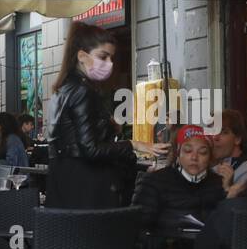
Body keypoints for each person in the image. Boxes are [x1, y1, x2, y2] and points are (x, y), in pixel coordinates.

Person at [48, 22, 167, 208]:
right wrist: (133, 143)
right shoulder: (82, 91)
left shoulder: (63, 89)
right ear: (82, 56)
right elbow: (91, 149)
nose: (109, 64)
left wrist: (108, 126)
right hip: (88, 192)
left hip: (64, 188)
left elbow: (69, 138)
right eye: (103, 57)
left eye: (111, 58)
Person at [210, 109, 247, 197]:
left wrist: (228, 189)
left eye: (223, 132)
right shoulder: (213, 168)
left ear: (237, 139)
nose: (215, 137)